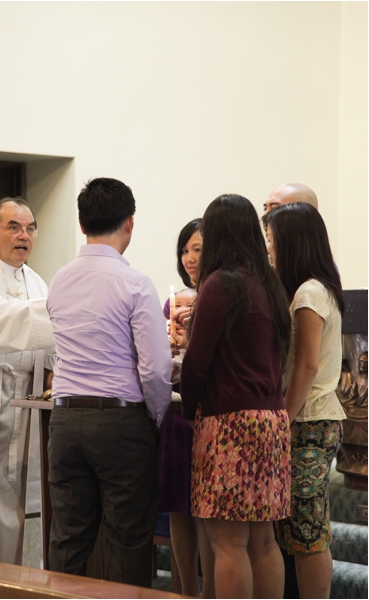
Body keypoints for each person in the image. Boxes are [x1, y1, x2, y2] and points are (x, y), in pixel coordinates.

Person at [45, 178, 171, 586]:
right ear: (129, 223)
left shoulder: (59, 280)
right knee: (127, 542)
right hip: (120, 423)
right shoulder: (134, 283)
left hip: (64, 422)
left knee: (67, 539)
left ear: (82, 224)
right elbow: (156, 369)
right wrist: (155, 419)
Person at [181, 194, 292, 599]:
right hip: (271, 421)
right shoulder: (270, 285)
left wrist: (189, 408)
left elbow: (197, 363)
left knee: (227, 543)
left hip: (230, 424)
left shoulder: (219, 284)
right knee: (264, 541)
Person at [265, 202, 347, 599]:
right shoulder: (313, 288)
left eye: (272, 240)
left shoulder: (309, 292)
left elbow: (307, 366)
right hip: (309, 418)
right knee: (302, 526)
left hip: (309, 420)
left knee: (307, 529)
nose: (269, 249)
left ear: (292, 242)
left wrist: (282, 417)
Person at [0, 197, 54, 567]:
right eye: (14, 227)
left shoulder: (37, 283)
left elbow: (53, 345)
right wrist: (65, 310)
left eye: (30, 229)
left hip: (29, 399)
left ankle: (23, 578)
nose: (24, 236)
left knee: (25, 489)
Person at [159, 219, 215, 598]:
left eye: (197, 249)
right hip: (176, 412)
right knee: (179, 507)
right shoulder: (174, 301)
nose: (190, 258)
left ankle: (211, 589)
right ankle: (186, 590)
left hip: (208, 412)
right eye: (184, 250)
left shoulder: (217, 297)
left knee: (207, 510)